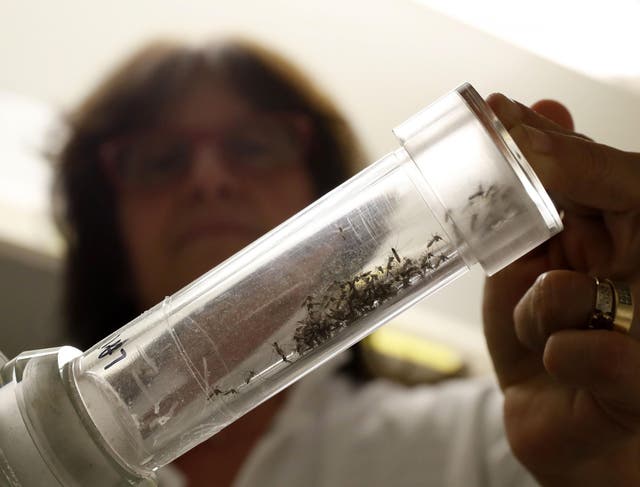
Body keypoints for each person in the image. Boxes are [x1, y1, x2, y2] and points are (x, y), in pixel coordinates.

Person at [52, 38, 640, 487]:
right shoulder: (33, 452)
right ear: (109, 239)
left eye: (254, 146)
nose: (209, 180)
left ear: (333, 217)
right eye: (160, 160)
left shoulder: (484, 446)